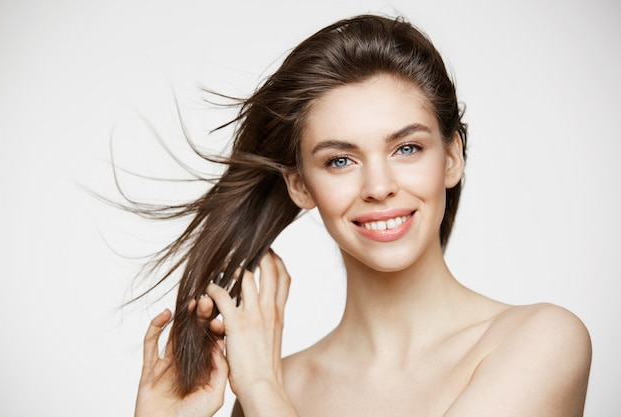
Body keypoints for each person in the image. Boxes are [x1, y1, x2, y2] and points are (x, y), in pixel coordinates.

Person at [131, 14, 592, 417]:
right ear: (301, 185)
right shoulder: (276, 383)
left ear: (452, 157)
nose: (378, 187)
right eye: (340, 160)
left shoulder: (540, 343)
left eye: (407, 148)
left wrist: (262, 390)